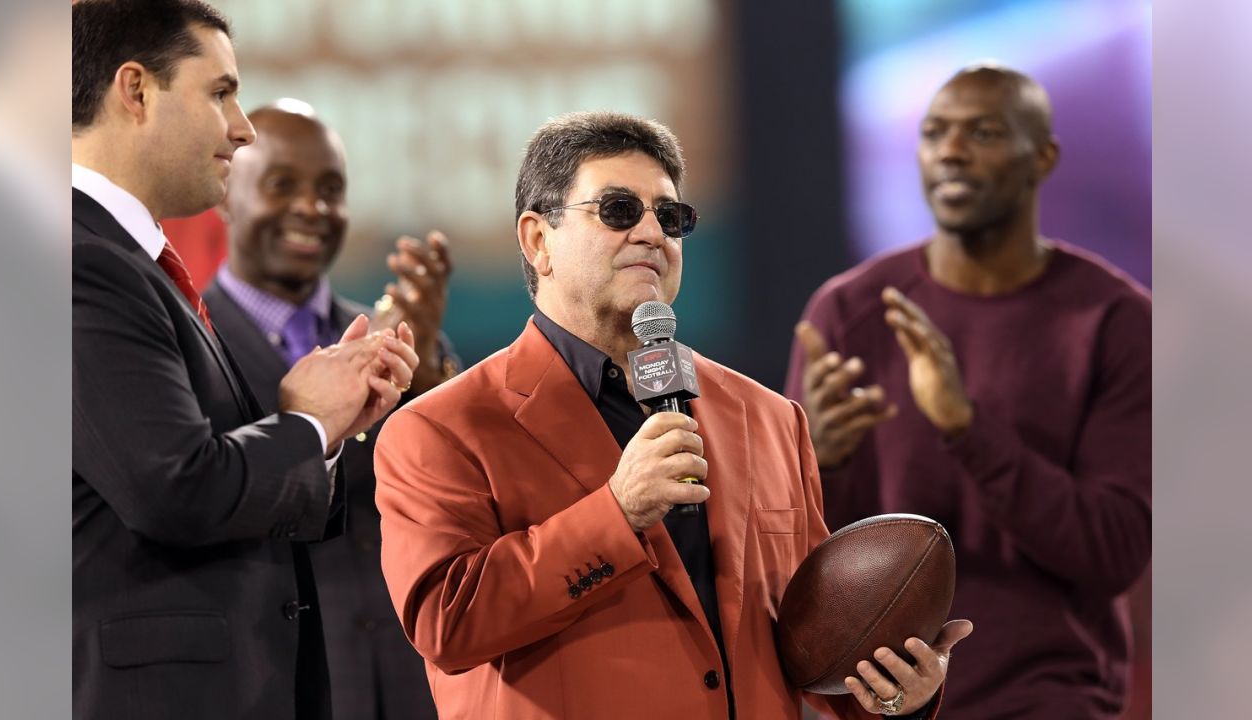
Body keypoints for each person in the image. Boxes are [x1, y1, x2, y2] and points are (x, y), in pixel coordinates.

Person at [374, 111, 970, 719]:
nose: (652, 234)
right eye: (618, 211)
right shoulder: (441, 428)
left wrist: (898, 695)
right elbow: (446, 624)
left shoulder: (768, 417)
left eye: (671, 217)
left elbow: (812, 645)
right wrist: (617, 513)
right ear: (537, 240)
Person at [71, 2, 419, 718]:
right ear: (135, 90)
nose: (243, 126)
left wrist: (327, 426)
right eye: (219, 92)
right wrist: (309, 426)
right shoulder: (80, 263)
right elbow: (174, 487)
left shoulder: (126, 262)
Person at [785, 64, 1151, 720]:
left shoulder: (1113, 320)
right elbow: (795, 569)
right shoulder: (849, 311)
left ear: (1043, 157)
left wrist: (965, 426)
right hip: (882, 704)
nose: (950, 151)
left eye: (981, 132)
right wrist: (818, 460)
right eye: (934, 133)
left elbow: (1115, 552)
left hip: (1048, 698)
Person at [203, 100, 456, 720]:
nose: (312, 209)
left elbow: (464, 508)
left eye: (331, 189)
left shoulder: (403, 340)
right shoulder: (188, 338)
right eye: (282, 184)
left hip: (413, 683)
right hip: (277, 686)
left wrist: (430, 384)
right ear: (227, 192)